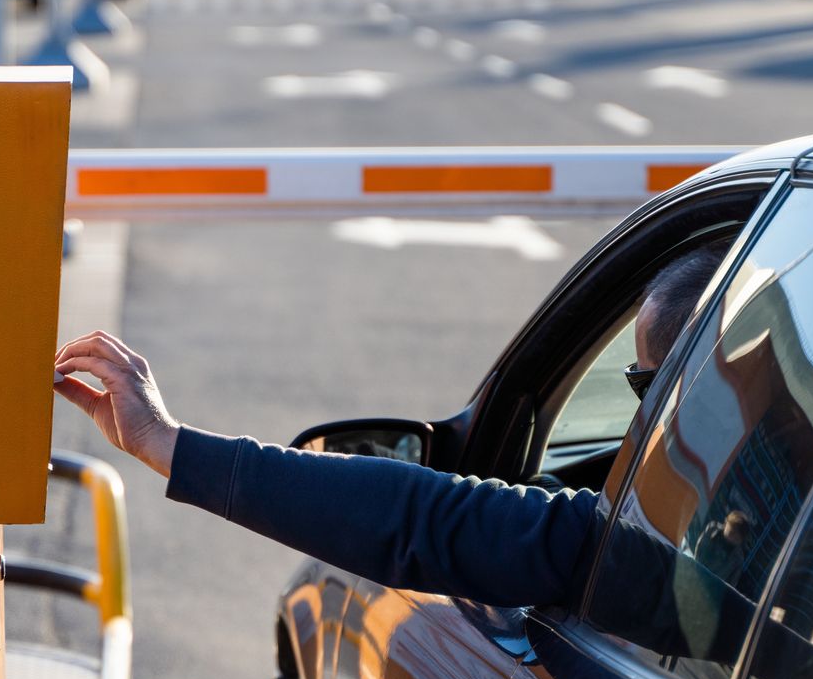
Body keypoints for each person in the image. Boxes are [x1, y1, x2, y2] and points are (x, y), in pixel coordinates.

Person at [52, 245, 726, 609]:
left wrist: (169, 444)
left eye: (648, 384)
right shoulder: (776, 533)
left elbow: (418, 520)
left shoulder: (679, 560)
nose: (644, 413)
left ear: (721, 383)